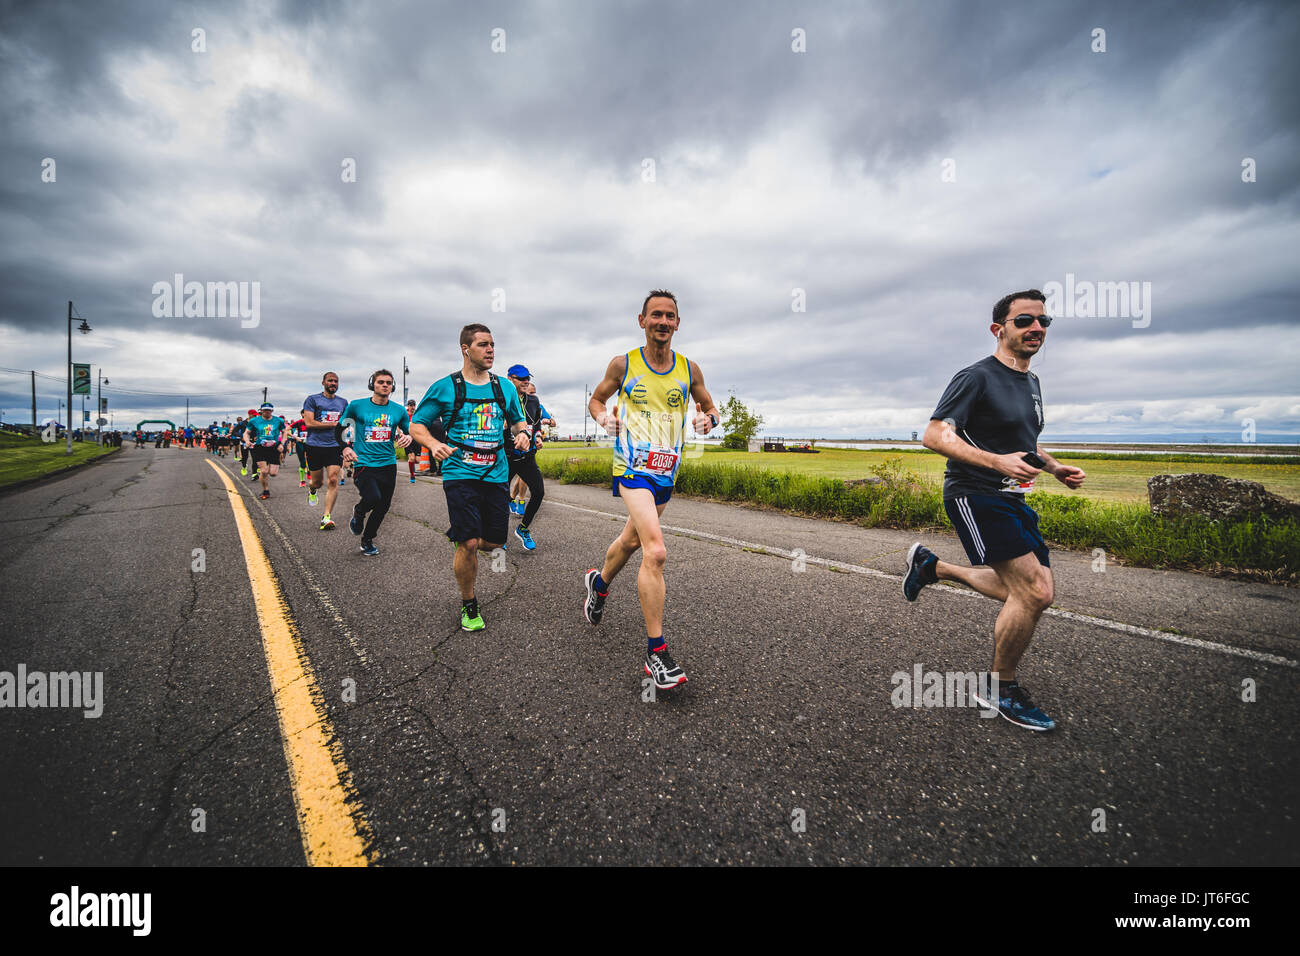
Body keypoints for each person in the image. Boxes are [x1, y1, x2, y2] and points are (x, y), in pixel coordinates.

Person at [902, 289, 1086, 732]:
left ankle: (932, 567)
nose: (1036, 328)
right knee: (1036, 592)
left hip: (1012, 494)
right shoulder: (976, 377)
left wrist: (1054, 467)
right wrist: (997, 462)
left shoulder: (1032, 383)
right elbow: (934, 435)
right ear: (998, 329)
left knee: (1021, 592)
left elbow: (1023, 439)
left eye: (1043, 322)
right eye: (1024, 321)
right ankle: (999, 689)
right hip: (974, 492)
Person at [582, 290, 720, 690]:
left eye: (670, 316)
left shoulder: (689, 369)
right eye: (655, 315)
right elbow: (596, 400)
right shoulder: (623, 364)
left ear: (678, 323)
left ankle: (599, 583)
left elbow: (710, 407)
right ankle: (656, 654)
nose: (662, 322)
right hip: (631, 470)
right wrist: (604, 418)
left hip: (665, 473)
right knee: (655, 551)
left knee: (630, 542)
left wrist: (707, 420)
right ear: (641, 321)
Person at [409, 324, 530, 631]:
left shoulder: (504, 387)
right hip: (460, 472)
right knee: (470, 543)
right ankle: (469, 603)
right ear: (466, 349)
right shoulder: (445, 387)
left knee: (494, 543)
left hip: (496, 472)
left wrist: (524, 435)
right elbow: (417, 426)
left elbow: (518, 421)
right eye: (483, 345)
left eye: (492, 344)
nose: (490, 350)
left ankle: (466, 541)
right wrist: (435, 444)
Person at [340, 370, 413, 556]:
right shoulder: (356, 406)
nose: (385, 385)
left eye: (388, 382)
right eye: (380, 382)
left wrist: (409, 437)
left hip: (388, 463)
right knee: (373, 498)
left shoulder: (399, 410)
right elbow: (341, 427)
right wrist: (345, 447)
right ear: (372, 384)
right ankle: (359, 510)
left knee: (383, 506)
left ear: (393, 386)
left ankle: (367, 539)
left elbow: (410, 431)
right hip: (363, 461)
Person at [504, 365, 554, 551]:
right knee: (499, 496)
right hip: (506, 457)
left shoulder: (533, 401)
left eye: (528, 378)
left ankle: (523, 529)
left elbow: (537, 424)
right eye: (521, 378)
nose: (526, 382)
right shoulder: (502, 399)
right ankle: (498, 534)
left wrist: (539, 437)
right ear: (510, 379)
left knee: (539, 492)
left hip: (527, 456)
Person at [302, 373, 349, 530]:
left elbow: (346, 423)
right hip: (314, 445)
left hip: (334, 446)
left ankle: (326, 517)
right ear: (323, 382)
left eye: (336, 381)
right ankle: (313, 490)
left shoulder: (343, 402)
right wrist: (333, 424)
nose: (333, 383)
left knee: (333, 479)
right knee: (317, 482)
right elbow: (309, 422)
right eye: (330, 380)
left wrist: (347, 442)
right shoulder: (312, 399)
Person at [243, 402, 288, 500]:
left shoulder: (278, 421)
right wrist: (247, 441)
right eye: (265, 410)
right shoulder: (254, 421)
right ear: (261, 411)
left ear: (272, 411)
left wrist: (282, 444)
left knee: (273, 473)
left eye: (269, 410)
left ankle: (264, 475)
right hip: (260, 447)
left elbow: (285, 432)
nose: (267, 412)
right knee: (264, 471)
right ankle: (265, 490)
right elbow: (246, 433)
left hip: (274, 447)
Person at [289, 417, 309, 486]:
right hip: (300, 443)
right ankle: (302, 480)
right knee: (302, 462)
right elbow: (287, 430)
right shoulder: (298, 424)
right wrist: (296, 438)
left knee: (311, 460)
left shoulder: (313, 422)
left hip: (310, 444)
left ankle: (309, 471)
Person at [404, 399, 420, 482]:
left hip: (416, 438)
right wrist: (401, 435)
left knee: (417, 460)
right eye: (411, 405)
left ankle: (412, 465)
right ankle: (412, 476)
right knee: (411, 458)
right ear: (408, 406)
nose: (412, 407)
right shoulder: (405, 414)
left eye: (414, 405)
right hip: (407, 438)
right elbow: (398, 426)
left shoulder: (417, 414)